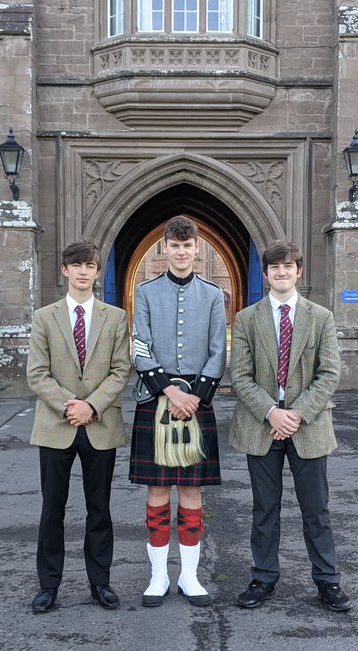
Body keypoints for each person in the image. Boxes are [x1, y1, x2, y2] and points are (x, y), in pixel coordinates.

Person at [227, 240, 352, 612]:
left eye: (288, 266)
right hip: (261, 425)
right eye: (274, 267)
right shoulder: (247, 318)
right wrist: (272, 412)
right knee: (264, 509)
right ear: (265, 275)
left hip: (308, 426)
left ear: (299, 271)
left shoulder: (321, 317)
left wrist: (295, 414)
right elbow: (240, 375)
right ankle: (263, 578)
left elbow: (329, 374)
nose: (282, 272)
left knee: (316, 510)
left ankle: (327, 581)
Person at [26, 241, 132, 614]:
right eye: (76, 265)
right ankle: (48, 586)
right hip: (56, 425)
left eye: (90, 265)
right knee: (52, 508)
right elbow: (37, 374)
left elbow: (121, 370)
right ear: (65, 271)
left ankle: (100, 583)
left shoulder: (115, 318)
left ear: (97, 272)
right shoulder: (44, 317)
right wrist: (70, 405)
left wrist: (92, 405)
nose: (83, 271)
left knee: (99, 509)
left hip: (99, 424)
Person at [130, 216, 227, 608]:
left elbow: (219, 351)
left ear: (197, 248)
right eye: (175, 245)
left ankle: (189, 576)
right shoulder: (146, 291)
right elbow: (140, 347)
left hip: (196, 401)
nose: (182, 251)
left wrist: (196, 396)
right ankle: (157, 576)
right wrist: (170, 391)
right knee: (157, 492)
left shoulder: (213, 294)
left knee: (191, 490)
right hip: (156, 398)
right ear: (164, 248)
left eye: (188, 246)